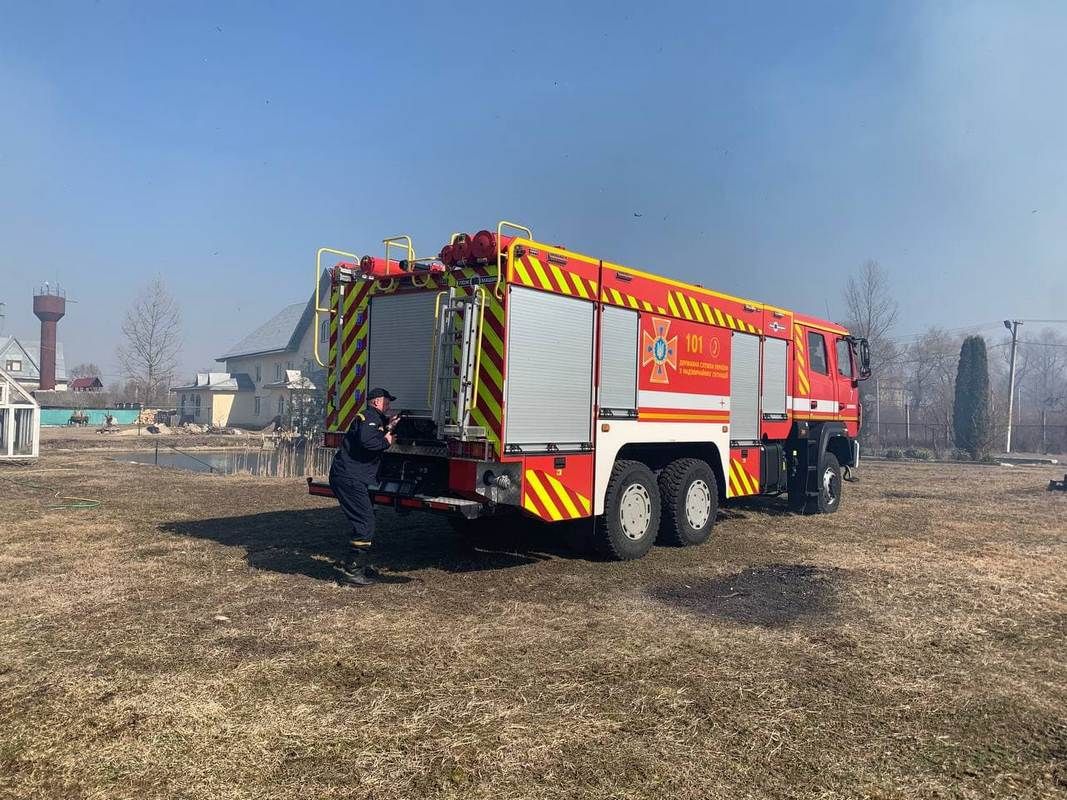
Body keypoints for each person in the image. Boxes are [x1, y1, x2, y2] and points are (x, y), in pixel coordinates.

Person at [328, 387, 398, 586]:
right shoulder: (370, 417)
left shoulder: (371, 418)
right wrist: (386, 441)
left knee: (365, 519)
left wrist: (389, 426)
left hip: (350, 476)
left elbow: (371, 433)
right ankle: (352, 572)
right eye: (387, 401)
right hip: (350, 478)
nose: (389, 405)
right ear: (376, 402)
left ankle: (354, 565)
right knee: (365, 522)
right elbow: (369, 442)